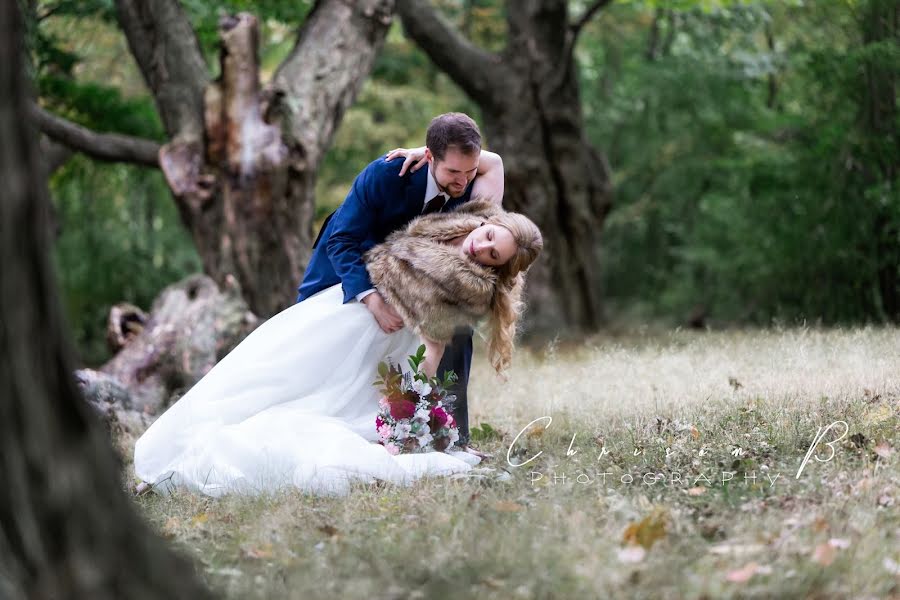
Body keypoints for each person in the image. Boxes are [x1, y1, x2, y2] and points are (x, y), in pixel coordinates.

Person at [133, 199, 543, 497]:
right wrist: (420, 150)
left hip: (374, 339)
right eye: (488, 236)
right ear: (489, 222)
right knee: (267, 369)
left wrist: (409, 405)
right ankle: (185, 432)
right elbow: (490, 163)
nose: (480, 248)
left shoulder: (467, 286)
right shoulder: (463, 221)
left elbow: (432, 347)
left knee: (314, 404)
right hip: (341, 312)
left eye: (492, 256)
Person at [297, 113, 503, 456]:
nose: (463, 182)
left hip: (409, 284)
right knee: (328, 352)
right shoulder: (387, 173)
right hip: (347, 270)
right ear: (430, 158)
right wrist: (371, 299)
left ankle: (451, 437)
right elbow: (341, 241)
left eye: (469, 171)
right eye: (453, 172)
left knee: (458, 328)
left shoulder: (467, 181)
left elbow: (493, 162)